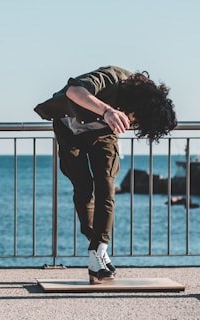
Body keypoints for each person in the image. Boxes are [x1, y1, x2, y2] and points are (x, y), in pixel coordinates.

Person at [34, 65, 177, 284]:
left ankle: (98, 250)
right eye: (134, 117)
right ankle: (97, 250)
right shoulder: (111, 77)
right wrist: (107, 111)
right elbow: (74, 92)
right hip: (68, 129)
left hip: (103, 135)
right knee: (83, 188)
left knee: (106, 187)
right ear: (136, 102)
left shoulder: (138, 108)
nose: (131, 121)